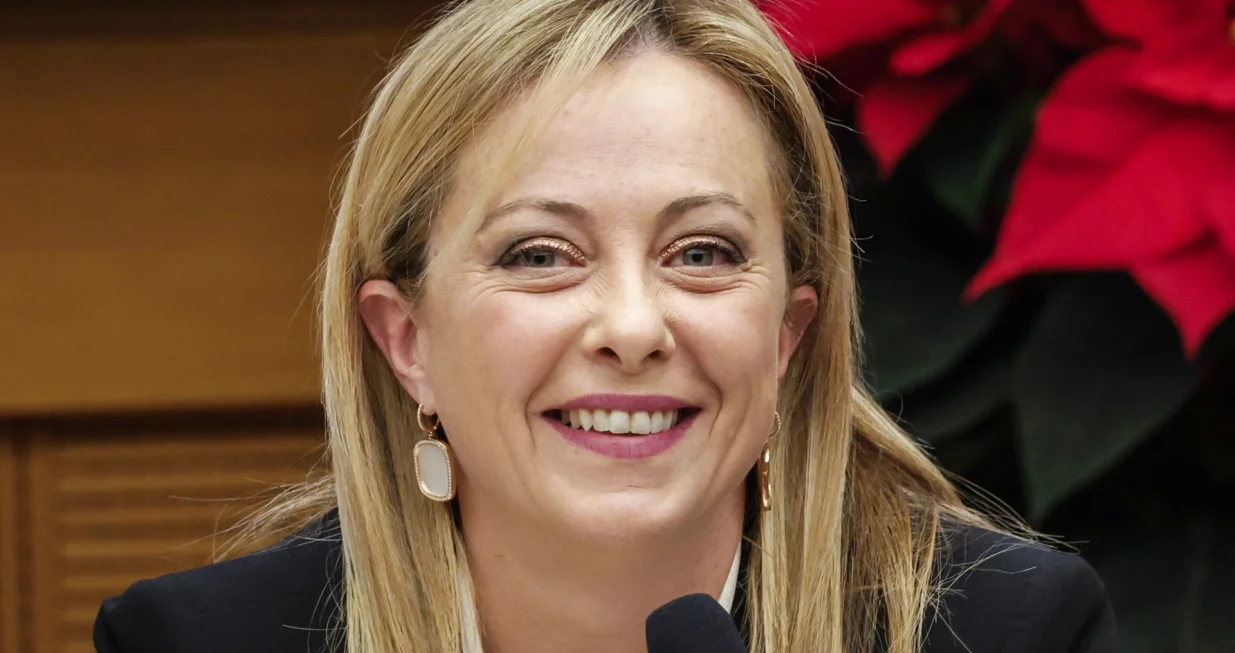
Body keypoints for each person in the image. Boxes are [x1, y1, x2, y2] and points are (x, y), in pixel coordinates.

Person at [92, 1, 1115, 652]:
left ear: (787, 334)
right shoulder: (197, 639)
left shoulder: (1004, 631)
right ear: (405, 340)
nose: (631, 324)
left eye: (702, 253)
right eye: (539, 255)